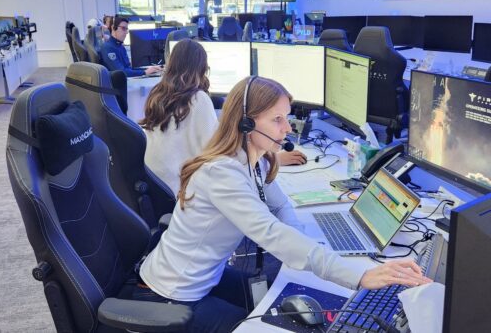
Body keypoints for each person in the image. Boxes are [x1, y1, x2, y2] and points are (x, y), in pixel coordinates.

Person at [136, 76, 432, 332]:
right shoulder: (221, 173)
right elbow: (271, 233)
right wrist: (360, 275)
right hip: (175, 291)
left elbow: (279, 208)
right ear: (246, 122)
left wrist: (300, 243)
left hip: (206, 275)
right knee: (264, 325)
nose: (287, 128)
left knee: (275, 303)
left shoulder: (255, 160)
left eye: (286, 118)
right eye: (277, 119)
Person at [139, 39, 307, 195]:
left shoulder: (157, 95)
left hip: (159, 187)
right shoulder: (197, 99)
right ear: (203, 68)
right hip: (182, 191)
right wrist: (273, 160)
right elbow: (220, 154)